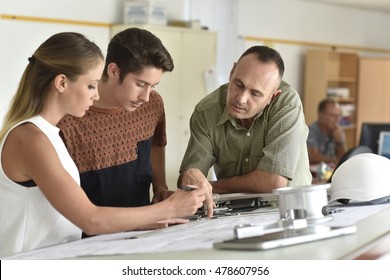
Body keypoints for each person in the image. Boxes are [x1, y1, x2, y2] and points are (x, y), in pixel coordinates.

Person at [0, 32, 206, 258]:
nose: (96, 94)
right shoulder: (31, 139)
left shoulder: (46, 133)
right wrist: (169, 209)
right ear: (61, 83)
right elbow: (91, 220)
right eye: (91, 86)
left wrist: (146, 219)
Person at [178, 45, 312, 201]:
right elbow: (189, 182)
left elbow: (274, 183)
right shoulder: (206, 112)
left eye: (255, 93)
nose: (241, 99)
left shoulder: (286, 105)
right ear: (232, 71)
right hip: (233, 212)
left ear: (272, 97)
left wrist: (211, 186)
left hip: (288, 209)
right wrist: (189, 175)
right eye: (238, 84)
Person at [307, 98, 347, 165]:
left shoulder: (338, 131)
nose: (337, 120)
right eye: (333, 116)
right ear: (321, 115)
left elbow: (344, 159)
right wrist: (334, 161)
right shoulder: (311, 131)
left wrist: (339, 142)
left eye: (338, 116)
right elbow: (313, 156)